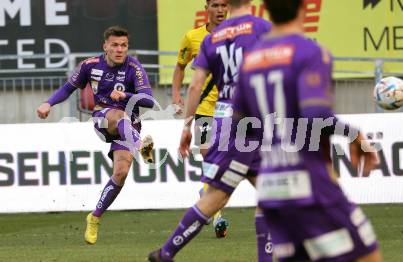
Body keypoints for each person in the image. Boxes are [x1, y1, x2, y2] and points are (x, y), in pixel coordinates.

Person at [232, 1, 383, 261]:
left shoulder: (250, 61)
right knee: (368, 255)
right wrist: (354, 134)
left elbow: (239, 125)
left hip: (270, 190)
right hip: (310, 187)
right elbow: (316, 116)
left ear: (266, 8)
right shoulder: (310, 52)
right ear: (304, 7)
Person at [148, 1, 272, 261]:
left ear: (229, 5)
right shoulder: (263, 29)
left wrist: (186, 126)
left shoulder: (213, 38)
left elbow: (194, 87)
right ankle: (167, 253)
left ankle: (166, 253)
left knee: (269, 194)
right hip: (249, 123)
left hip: (229, 121)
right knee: (220, 196)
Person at [36, 26, 155, 245]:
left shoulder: (134, 67)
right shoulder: (90, 65)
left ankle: (94, 217)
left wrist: (126, 94)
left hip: (130, 125)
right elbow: (67, 88)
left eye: (124, 45)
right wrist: (48, 102)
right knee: (118, 115)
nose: (120, 50)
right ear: (105, 47)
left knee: (120, 173)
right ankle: (142, 146)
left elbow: (148, 99)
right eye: (115, 45)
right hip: (103, 117)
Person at [171, 0, 229, 238]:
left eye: (224, 5)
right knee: (208, 156)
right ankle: (217, 216)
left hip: (231, 108)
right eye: (215, 5)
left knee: (222, 162)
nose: (220, 10)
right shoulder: (192, 37)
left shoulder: (238, 35)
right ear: (206, 7)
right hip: (204, 108)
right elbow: (180, 66)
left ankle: (207, 195)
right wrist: (176, 93)